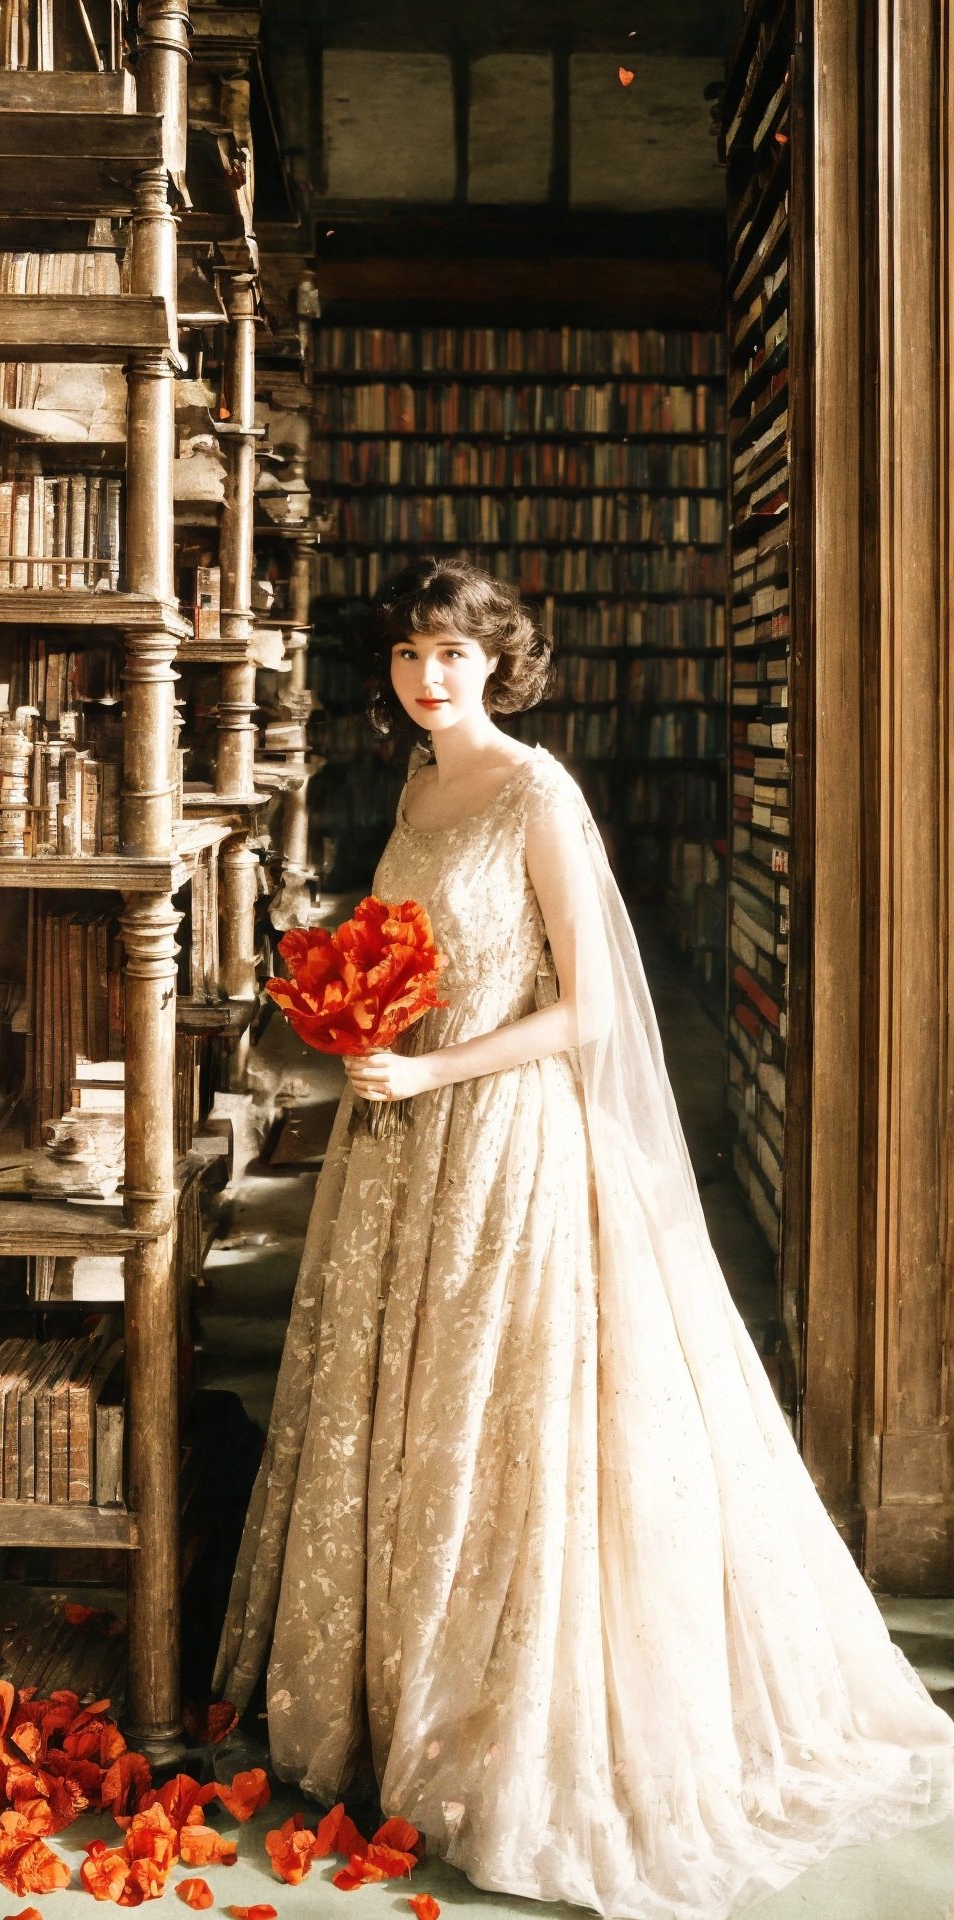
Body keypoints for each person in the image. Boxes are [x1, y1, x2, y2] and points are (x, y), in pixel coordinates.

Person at [213, 557, 954, 1920]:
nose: (428, 679)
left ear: (499, 662)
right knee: (408, 1411)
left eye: (452, 655)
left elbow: (592, 1017)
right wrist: (361, 1033)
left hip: (503, 1139)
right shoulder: (418, 789)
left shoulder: (535, 792)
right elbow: (408, 956)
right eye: (406, 659)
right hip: (400, 1146)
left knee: (502, 1429)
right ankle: (392, 1703)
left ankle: (501, 1724)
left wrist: (433, 1075)